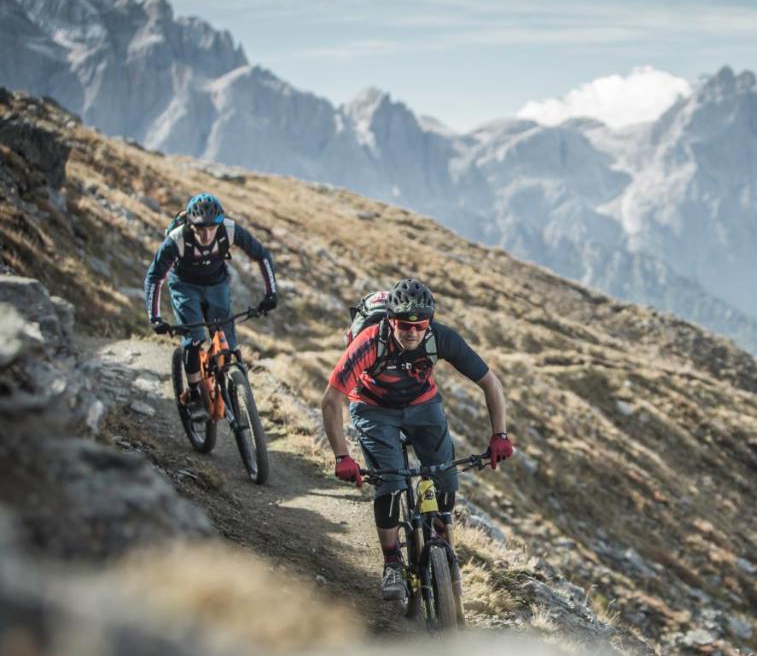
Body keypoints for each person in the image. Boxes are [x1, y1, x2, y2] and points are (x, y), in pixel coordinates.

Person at [321, 277, 514, 600]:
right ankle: (393, 563)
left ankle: (442, 541)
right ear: (390, 320)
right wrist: (342, 456)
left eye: (419, 325)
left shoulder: (441, 338)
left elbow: (490, 383)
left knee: (446, 480)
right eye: (402, 324)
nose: (411, 331)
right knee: (392, 485)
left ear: (429, 323)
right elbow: (331, 400)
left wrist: (500, 434)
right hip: (373, 408)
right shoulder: (369, 342)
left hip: (422, 405)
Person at [144, 193, 278, 420]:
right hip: (184, 285)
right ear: (190, 225)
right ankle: (195, 393)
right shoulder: (177, 239)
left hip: (216, 284)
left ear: (219, 224)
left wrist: (271, 293)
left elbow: (262, 255)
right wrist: (154, 317)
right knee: (194, 339)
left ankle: (230, 381)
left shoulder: (229, 229)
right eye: (200, 229)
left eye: (211, 228)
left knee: (226, 339)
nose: (206, 235)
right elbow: (155, 277)